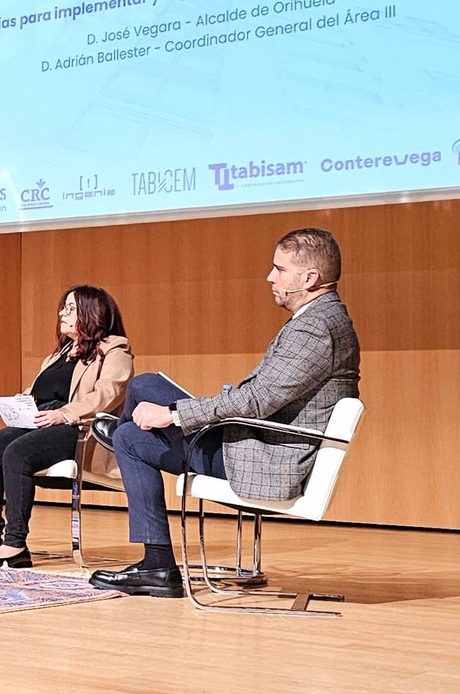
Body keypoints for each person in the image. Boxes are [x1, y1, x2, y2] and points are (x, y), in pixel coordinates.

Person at [89, 227, 360, 597]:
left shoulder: (317, 328)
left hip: (265, 459)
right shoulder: (318, 319)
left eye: (279, 269)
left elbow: (259, 400)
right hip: (254, 440)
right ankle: (153, 556)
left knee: (130, 438)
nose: (270, 277)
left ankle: (156, 563)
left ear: (309, 278)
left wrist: (175, 415)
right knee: (144, 386)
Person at [0, 285, 133, 569]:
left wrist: (64, 414)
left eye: (70, 308)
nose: (62, 314)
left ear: (92, 312)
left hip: (79, 431)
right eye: (63, 308)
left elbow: (107, 394)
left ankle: (15, 543)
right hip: (41, 424)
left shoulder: (114, 349)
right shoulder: (56, 356)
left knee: (18, 452)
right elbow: (32, 396)